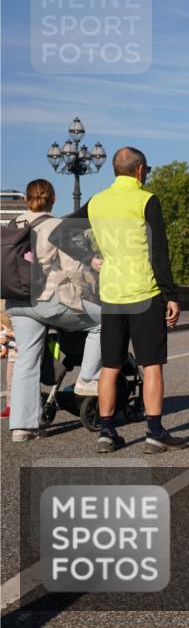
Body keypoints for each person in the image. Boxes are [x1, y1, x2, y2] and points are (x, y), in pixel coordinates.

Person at [53, 148, 188, 454]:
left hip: (111, 295)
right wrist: (171, 295)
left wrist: (89, 258)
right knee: (151, 365)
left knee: (111, 365)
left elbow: (59, 234)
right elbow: (159, 251)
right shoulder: (146, 200)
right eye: (146, 170)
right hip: (144, 292)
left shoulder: (97, 201)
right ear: (139, 170)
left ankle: (106, 432)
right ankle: (154, 433)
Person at [5, 179, 103, 442]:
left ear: (26, 200)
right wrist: (91, 293)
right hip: (47, 300)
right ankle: (87, 379)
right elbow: (75, 270)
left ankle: (22, 427)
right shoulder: (56, 226)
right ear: (54, 199)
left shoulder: (12, 226)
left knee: (26, 359)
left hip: (16, 301)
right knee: (103, 321)